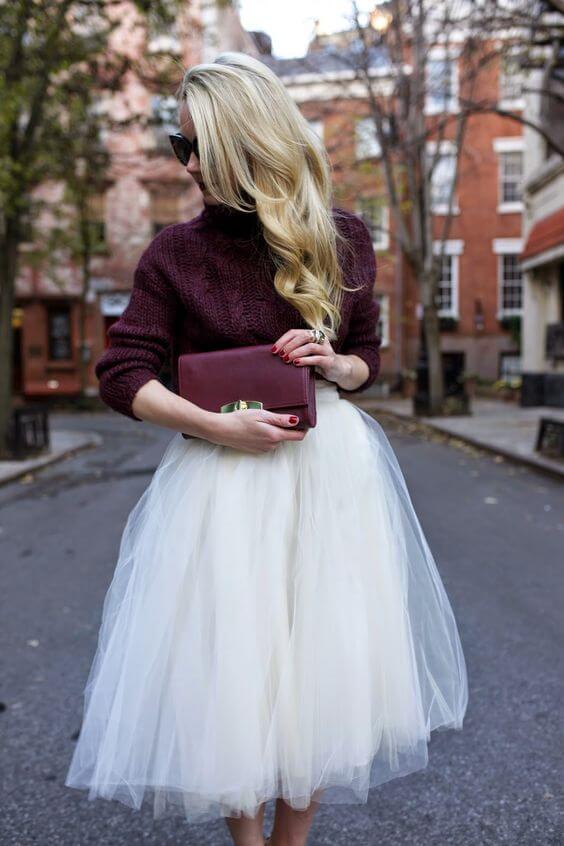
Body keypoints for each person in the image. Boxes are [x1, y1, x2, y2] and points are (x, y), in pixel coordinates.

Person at [64, 52, 469, 846]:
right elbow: (122, 372)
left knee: (322, 665)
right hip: (221, 479)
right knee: (233, 672)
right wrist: (217, 427)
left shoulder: (342, 238)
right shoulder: (174, 255)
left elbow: (365, 365)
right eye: (180, 147)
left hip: (330, 477)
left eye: (193, 148)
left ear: (240, 142)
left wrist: (332, 363)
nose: (185, 166)